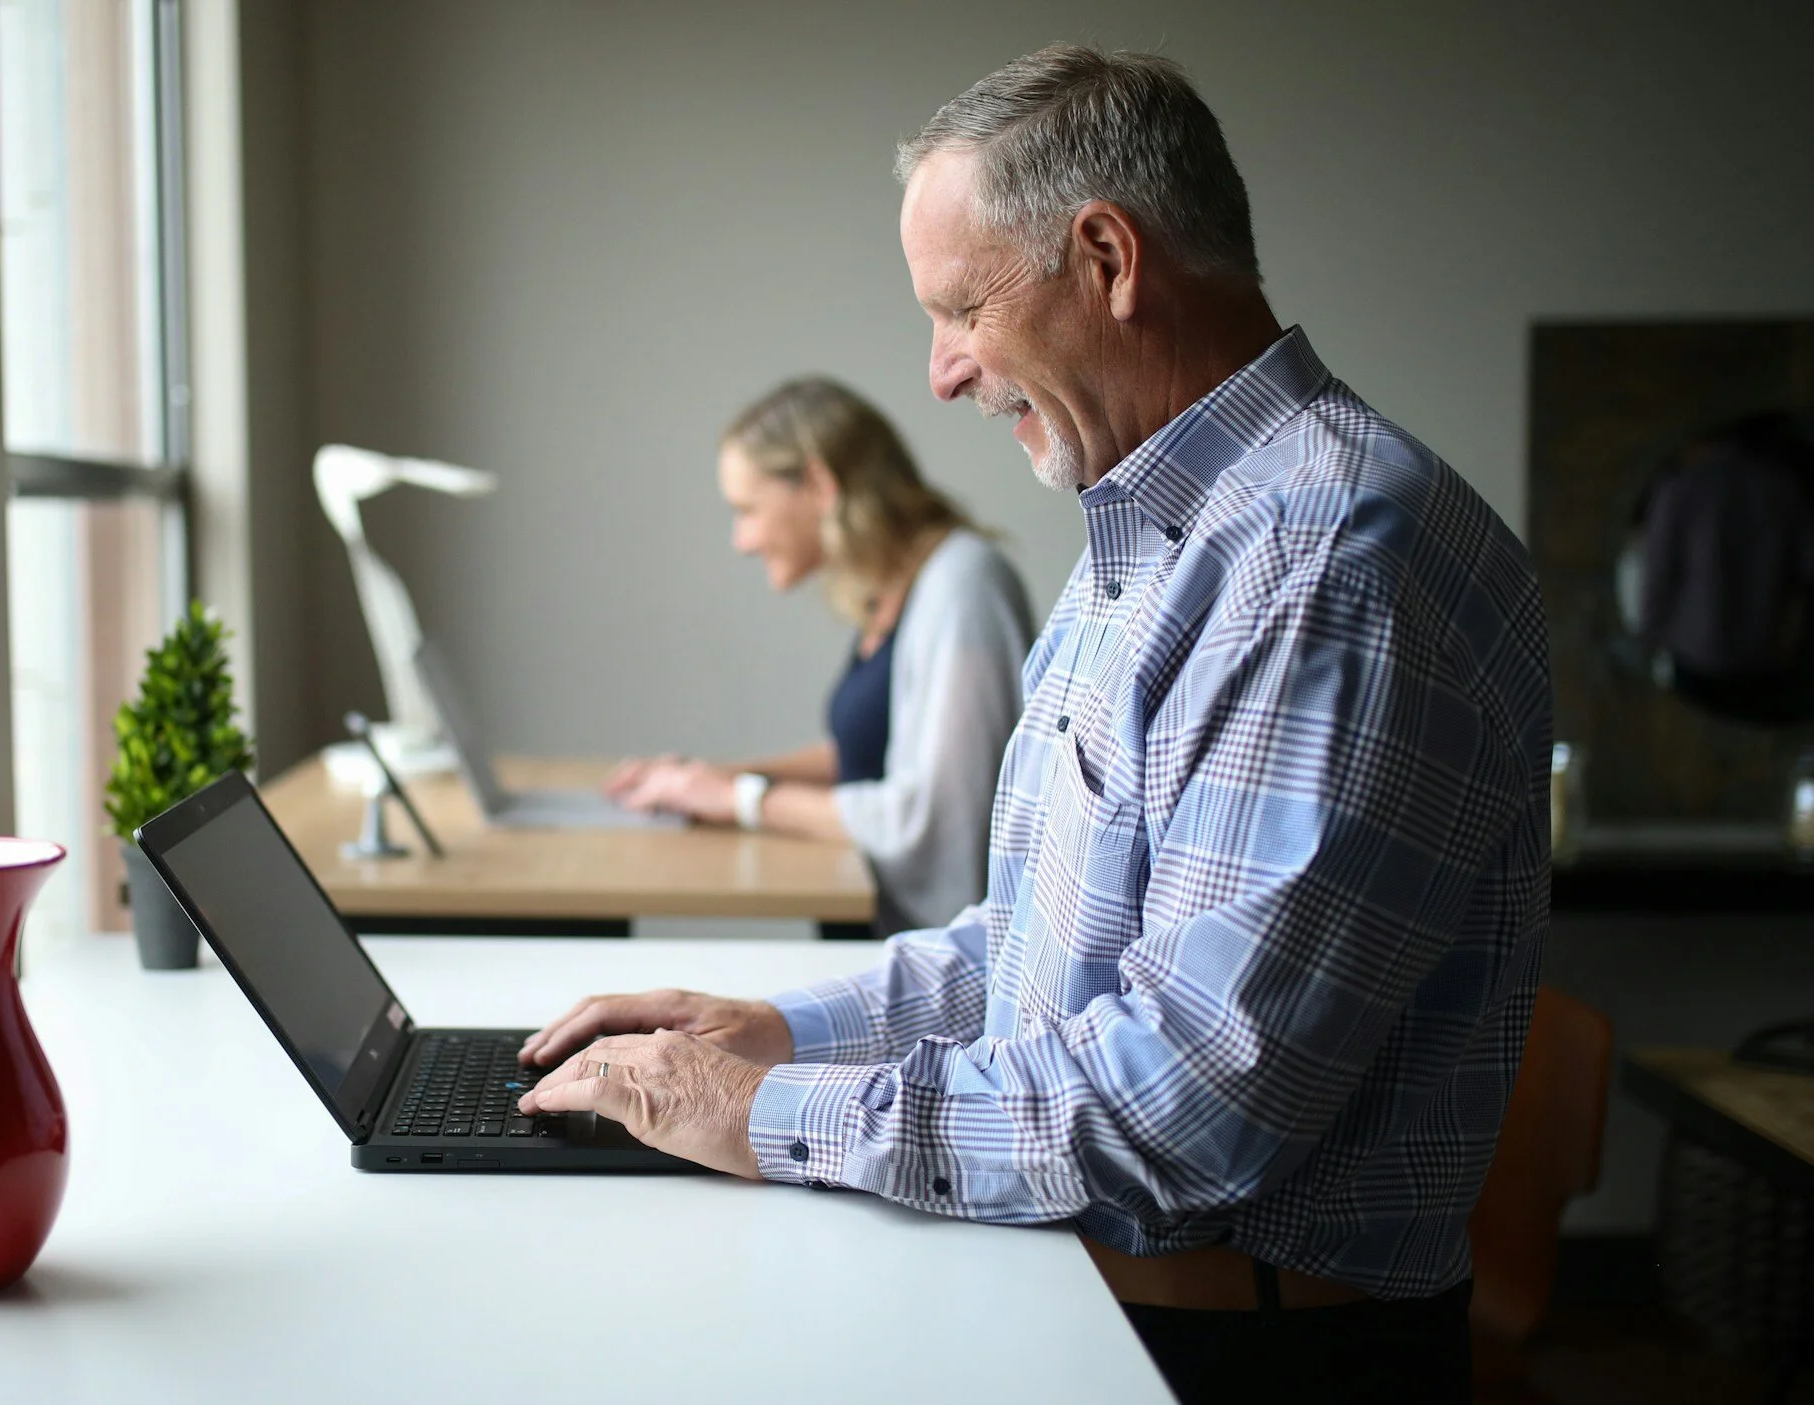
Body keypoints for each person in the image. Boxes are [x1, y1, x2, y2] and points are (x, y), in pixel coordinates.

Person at [517, 44, 1549, 1405]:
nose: (941, 374)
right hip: (1115, 1303)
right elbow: (1037, 950)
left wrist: (758, 1116)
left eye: (961, 309)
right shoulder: (1166, 534)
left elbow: (1181, 1107)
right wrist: (771, 1031)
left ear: (1110, 259)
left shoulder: (1323, 562)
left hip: (1240, 1355)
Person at [606, 377, 1033, 935]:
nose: (742, 539)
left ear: (817, 484)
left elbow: (931, 815)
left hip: (925, 960)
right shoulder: (894, 587)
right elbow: (867, 755)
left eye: (748, 509)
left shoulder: (963, 585)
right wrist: (707, 780)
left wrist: (739, 799)